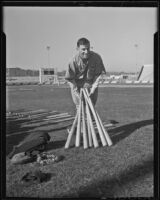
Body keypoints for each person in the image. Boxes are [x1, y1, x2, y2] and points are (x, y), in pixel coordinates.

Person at [65, 37, 106, 111]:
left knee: (91, 108)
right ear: (77, 49)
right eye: (83, 49)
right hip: (77, 86)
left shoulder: (96, 58)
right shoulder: (73, 61)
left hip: (91, 85)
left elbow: (98, 75)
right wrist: (75, 91)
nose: (86, 51)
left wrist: (94, 87)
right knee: (80, 109)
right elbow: (70, 79)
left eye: (88, 48)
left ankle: (91, 120)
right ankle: (80, 120)